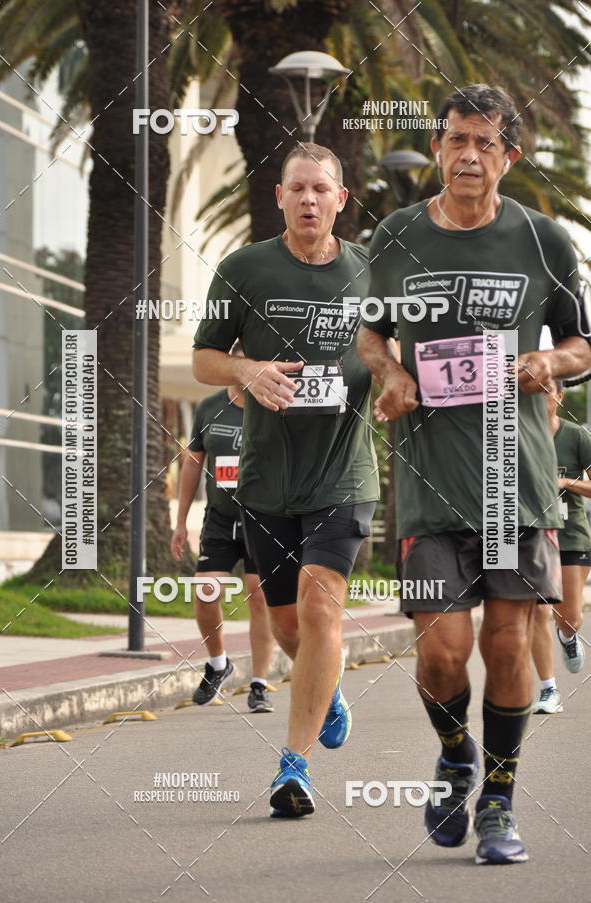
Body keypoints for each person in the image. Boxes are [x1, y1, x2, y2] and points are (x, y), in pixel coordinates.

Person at [357, 84, 591, 865]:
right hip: (427, 478)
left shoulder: (542, 240)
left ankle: (497, 798)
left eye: (484, 144)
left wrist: (547, 360)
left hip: (514, 479)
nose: (467, 155)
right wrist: (388, 372)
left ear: (509, 157)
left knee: (508, 643)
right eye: (456, 139)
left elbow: (584, 345)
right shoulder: (394, 236)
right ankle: (455, 748)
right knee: (440, 650)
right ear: (438, 147)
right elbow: (368, 336)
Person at [192, 142, 378, 818]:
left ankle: (291, 769)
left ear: (339, 199)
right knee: (287, 622)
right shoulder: (245, 268)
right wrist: (246, 371)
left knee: (322, 607)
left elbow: (398, 349)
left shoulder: (370, 271)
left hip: (344, 471)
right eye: (295, 188)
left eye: (319, 189)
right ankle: (325, 689)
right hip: (267, 480)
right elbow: (205, 357)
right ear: (279, 198)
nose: (307, 199)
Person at [171, 343, 276, 713]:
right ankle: (218, 664)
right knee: (205, 592)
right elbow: (191, 465)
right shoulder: (210, 407)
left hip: (265, 517)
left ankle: (260, 684)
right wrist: (181, 522)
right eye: (243, 362)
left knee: (259, 597)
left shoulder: (275, 402)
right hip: (220, 517)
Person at [531, 378, 590, 714]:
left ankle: (567, 636)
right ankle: (548, 690)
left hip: (571, 534)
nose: (540, 398)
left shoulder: (576, 435)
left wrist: (566, 482)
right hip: (532, 534)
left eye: (546, 391)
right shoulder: (515, 435)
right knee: (538, 611)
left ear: (559, 396)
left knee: (568, 616)